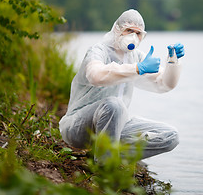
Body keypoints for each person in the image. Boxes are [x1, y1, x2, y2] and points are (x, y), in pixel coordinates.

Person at [59, 9, 185, 159]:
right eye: (129, 30)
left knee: (170, 136)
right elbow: (96, 76)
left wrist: (173, 61)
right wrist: (137, 69)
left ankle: (107, 153)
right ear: (117, 30)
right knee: (115, 105)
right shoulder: (98, 50)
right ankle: (105, 168)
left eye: (138, 33)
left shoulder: (135, 57)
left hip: (114, 126)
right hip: (78, 126)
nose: (133, 36)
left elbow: (165, 84)